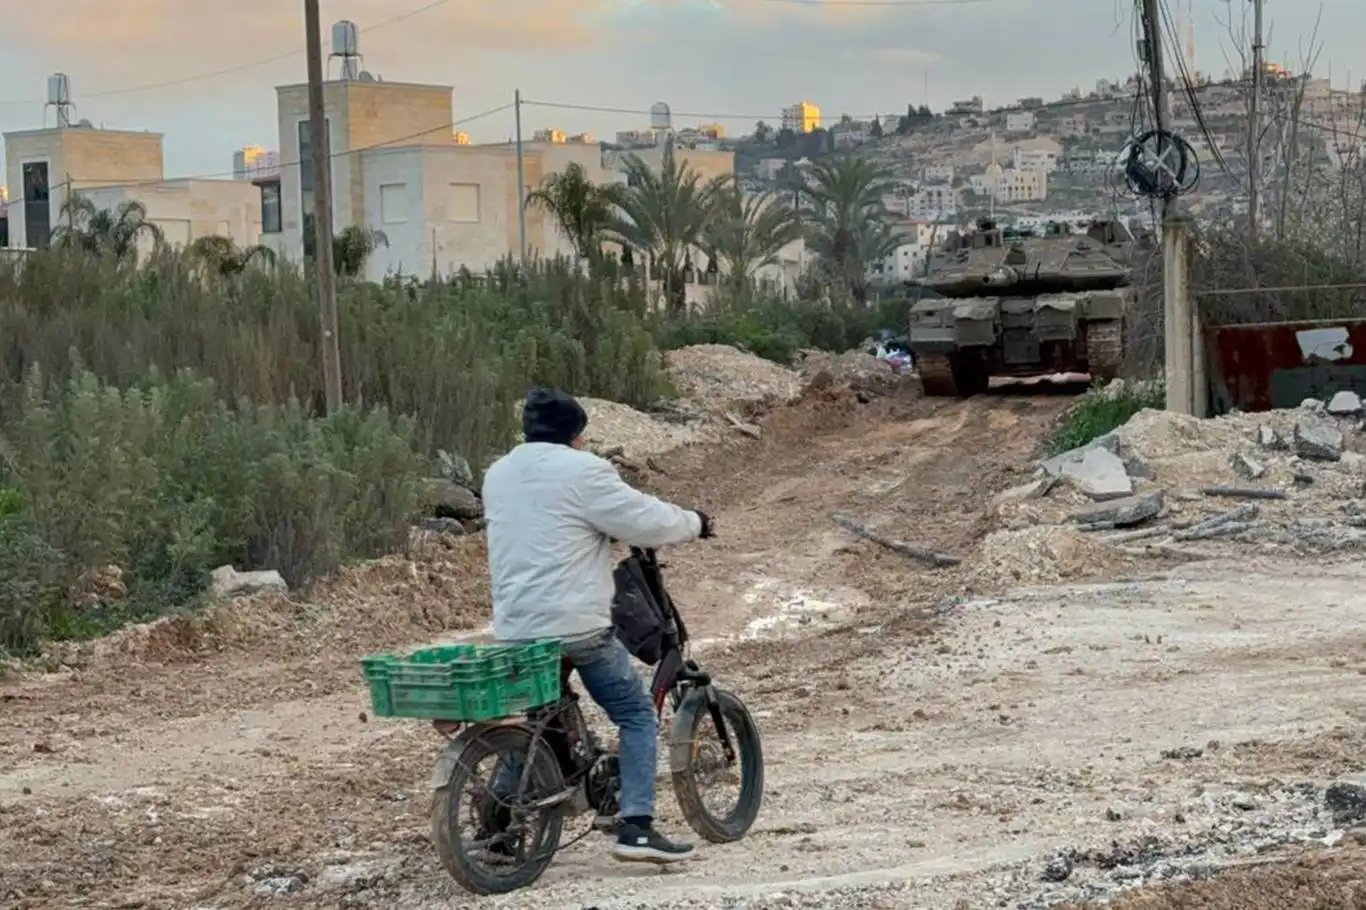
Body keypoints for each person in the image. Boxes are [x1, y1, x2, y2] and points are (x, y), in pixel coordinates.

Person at [481, 387, 713, 864]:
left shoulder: (498, 473)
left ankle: (498, 827)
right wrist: (694, 523)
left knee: (539, 718)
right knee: (634, 712)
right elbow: (642, 520)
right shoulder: (583, 471)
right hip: (575, 626)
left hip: (516, 625)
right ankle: (636, 826)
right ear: (576, 434)